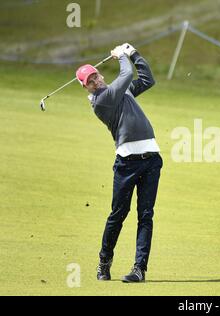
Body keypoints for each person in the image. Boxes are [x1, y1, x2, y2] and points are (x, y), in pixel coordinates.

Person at [76, 44, 163, 282]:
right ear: (86, 88)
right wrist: (122, 55)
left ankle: (139, 269)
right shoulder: (102, 100)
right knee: (118, 214)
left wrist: (135, 55)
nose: (96, 81)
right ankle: (104, 261)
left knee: (145, 215)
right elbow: (126, 75)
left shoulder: (120, 91)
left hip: (152, 159)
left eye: (96, 75)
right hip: (126, 164)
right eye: (90, 81)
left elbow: (147, 79)